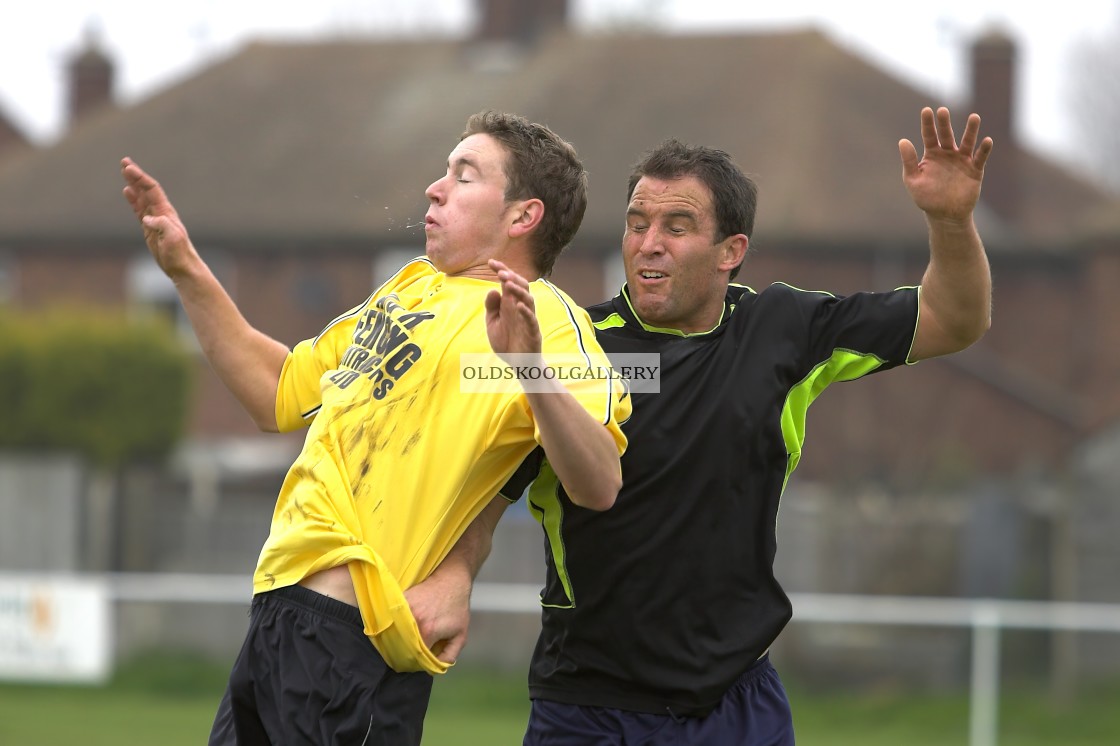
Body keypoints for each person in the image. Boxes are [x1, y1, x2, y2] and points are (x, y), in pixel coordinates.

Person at [417, 105, 994, 744]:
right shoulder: (572, 344)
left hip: (736, 704)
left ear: (731, 252)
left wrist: (950, 221)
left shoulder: (782, 330)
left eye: (677, 225)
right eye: (637, 225)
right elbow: (494, 485)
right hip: (588, 706)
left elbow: (954, 319)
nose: (648, 243)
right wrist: (455, 574)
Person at [120, 110, 630, 746]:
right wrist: (187, 271)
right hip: (278, 611)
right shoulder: (410, 287)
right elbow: (277, 393)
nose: (435, 188)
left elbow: (599, 482)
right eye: (444, 171)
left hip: (355, 639)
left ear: (522, 217)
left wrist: (528, 369)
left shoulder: (548, 321)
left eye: (463, 175)